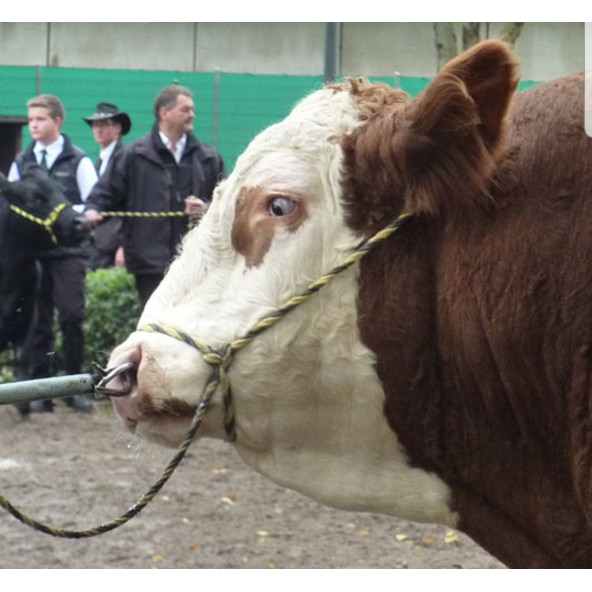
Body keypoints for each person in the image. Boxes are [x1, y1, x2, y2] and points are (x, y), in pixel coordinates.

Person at [85, 85, 226, 306]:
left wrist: (205, 207)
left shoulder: (208, 157)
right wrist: (92, 211)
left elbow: (226, 202)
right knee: (155, 327)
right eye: (186, 109)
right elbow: (105, 193)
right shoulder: (132, 155)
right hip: (149, 262)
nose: (192, 115)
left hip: (198, 261)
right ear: (164, 113)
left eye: (192, 109)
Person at [8, 94, 98, 414]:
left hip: (69, 251)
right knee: (38, 322)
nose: (34, 124)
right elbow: (15, 205)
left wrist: (72, 216)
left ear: (57, 122)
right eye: (31, 119)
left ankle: (74, 388)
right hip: (34, 255)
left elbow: (93, 203)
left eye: (41, 119)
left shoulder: (79, 160)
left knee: (72, 316)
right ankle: (41, 391)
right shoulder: (21, 162)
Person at [83, 102, 132, 269]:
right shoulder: (99, 161)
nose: (99, 130)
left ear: (118, 128)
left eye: (104, 125)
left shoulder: (125, 161)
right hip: (98, 244)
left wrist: (125, 246)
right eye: (95, 125)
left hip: (116, 246)